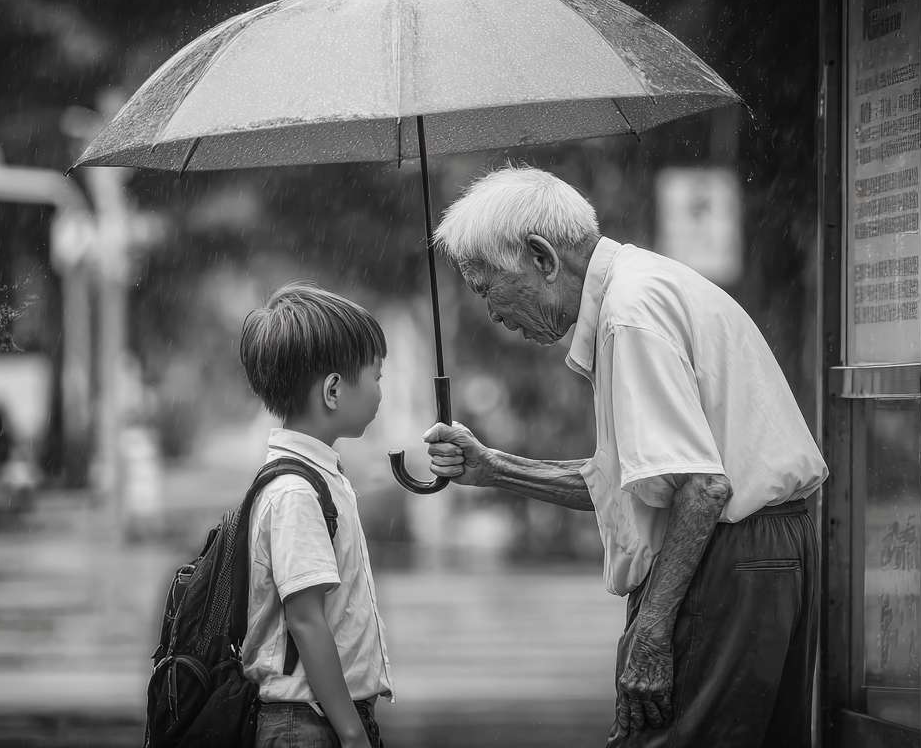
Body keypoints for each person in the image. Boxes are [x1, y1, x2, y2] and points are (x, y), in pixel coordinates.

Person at [423, 166, 828, 747]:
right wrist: (493, 467)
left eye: (488, 288)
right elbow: (634, 485)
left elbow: (702, 487)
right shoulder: (639, 289)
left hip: (730, 556)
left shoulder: (629, 314)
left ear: (542, 258)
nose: (491, 312)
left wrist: (653, 629)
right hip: (757, 554)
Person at [239, 283, 393, 748]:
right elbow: (306, 620)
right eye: (377, 376)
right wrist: (350, 733)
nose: (381, 392)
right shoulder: (296, 492)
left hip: (321, 717)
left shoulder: (319, 477)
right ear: (333, 390)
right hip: (306, 726)